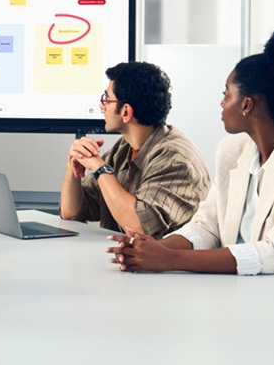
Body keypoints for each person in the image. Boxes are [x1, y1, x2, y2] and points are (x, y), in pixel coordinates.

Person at [107, 27, 274, 291]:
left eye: (226, 95)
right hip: (258, 295)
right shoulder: (232, 150)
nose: (221, 103)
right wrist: (148, 249)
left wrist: (169, 259)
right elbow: (207, 226)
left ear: (247, 105)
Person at [60, 61, 210, 237]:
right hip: (126, 262)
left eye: (106, 99)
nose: (102, 106)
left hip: (167, 265)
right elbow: (71, 212)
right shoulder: (124, 149)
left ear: (125, 112)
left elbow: (138, 226)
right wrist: (72, 166)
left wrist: (100, 169)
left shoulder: (174, 159)